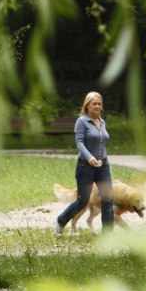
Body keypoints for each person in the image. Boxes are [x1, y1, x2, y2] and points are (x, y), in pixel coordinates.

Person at [56, 91, 114, 236]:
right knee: (82, 201)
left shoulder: (102, 122)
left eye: (99, 104)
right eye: (94, 103)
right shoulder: (81, 121)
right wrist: (89, 157)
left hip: (103, 167)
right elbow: (79, 143)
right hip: (85, 167)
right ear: (87, 105)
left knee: (107, 199)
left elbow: (102, 142)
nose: (97, 106)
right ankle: (60, 221)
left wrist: (102, 157)